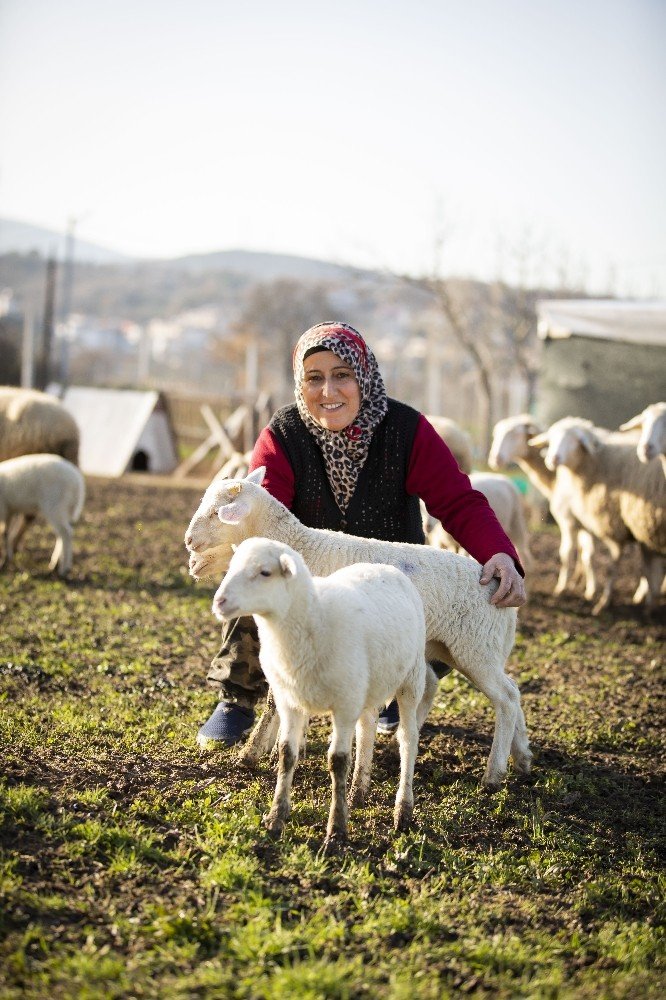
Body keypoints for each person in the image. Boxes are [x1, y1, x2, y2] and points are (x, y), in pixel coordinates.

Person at [197, 321, 526, 747]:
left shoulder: (407, 431)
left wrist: (498, 552)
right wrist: (226, 548)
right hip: (309, 571)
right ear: (300, 384)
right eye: (314, 378)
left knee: (439, 611)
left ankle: (393, 690)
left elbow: (458, 500)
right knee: (259, 570)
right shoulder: (283, 436)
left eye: (342, 376)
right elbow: (258, 515)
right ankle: (238, 697)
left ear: (364, 376)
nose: (328, 392)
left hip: (390, 568)